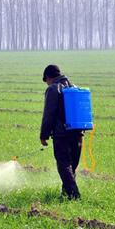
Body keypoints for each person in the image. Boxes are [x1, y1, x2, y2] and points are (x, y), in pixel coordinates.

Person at [40, 65, 82, 200]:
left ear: (48, 78)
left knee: (63, 166)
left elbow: (49, 113)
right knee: (71, 166)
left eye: (46, 80)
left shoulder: (53, 89)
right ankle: (65, 194)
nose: (46, 83)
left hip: (61, 135)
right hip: (77, 133)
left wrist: (44, 135)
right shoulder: (73, 87)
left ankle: (74, 196)